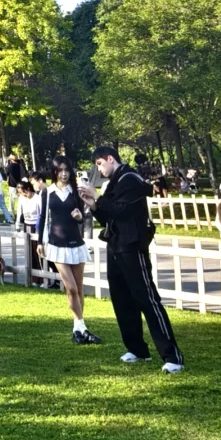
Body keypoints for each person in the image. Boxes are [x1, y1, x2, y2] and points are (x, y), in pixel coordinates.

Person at [79, 145, 184, 373]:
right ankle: (137, 349)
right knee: (121, 299)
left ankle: (172, 356)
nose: (99, 169)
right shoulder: (114, 182)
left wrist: (98, 197)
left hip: (133, 246)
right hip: (116, 245)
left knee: (147, 299)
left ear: (110, 159)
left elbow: (122, 211)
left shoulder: (130, 179)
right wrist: (93, 204)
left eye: (99, 164)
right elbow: (107, 214)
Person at [38, 159, 100, 344]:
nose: (64, 174)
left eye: (66, 170)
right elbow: (44, 218)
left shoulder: (76, 191)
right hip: (57, 245)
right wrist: (40, 241)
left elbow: (83, 217)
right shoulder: (47, 192)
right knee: (70, 288)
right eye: (60, 170)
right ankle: (80, 327)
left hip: (76, 243)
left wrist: (79, 217)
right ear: (54, 172)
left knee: (79, 288)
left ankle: (79, 327)